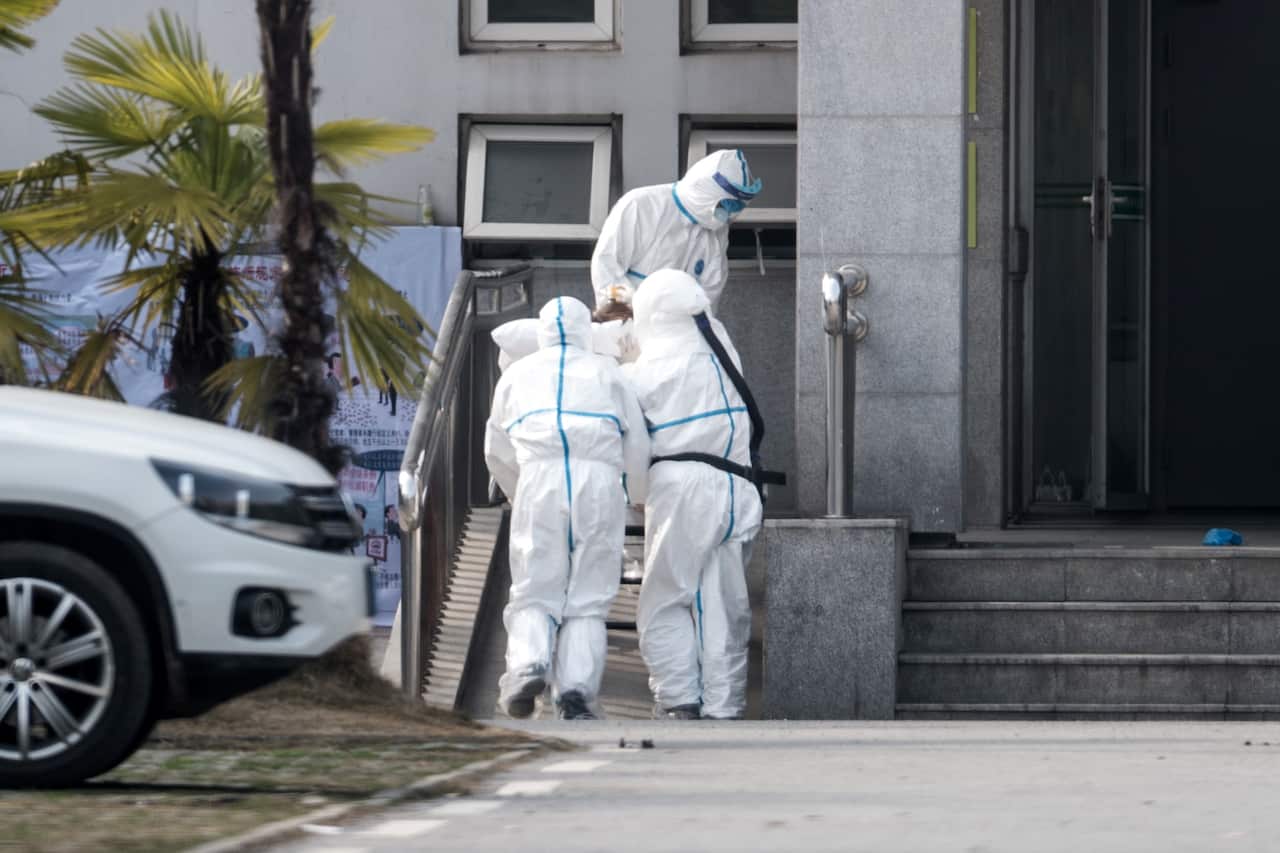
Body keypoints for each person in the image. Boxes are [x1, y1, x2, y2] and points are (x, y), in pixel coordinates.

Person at [484, 296, 650, 720]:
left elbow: (496, 449)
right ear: (585, 330)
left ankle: (528, 664)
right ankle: (575, 691)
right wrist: (636, 493)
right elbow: (636, 446)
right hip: (598, 483)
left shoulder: (516, 375)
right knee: (589, 597)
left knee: (534, 588)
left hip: (538, 480)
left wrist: (516, 489)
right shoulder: (609, 373)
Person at [623, 269, 764, 721]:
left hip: (682, 489)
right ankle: (724, 707)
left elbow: (633, 447)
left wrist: (638, 492)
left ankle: (679, 699)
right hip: (738, 488)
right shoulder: (725, 357)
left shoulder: (643, 373)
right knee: (723, 606)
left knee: (665, 600)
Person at [591, 149, 761, 312]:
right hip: (629, 326)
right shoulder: (641, 205)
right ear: (704, 191)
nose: (729, 216)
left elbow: (710, 292)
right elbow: (607, 268)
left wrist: (692, 332)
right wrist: (625, 324)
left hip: (677, 335)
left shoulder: (716, 230)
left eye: (735, 209)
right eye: (726, 206)